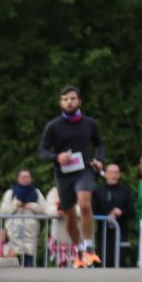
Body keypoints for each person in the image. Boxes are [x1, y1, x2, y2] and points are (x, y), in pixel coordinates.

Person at [36, 85, 105, 267]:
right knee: (70, 216)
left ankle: (89, 247)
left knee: (85, 204)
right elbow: (42, 151)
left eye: (73, 99)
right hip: (64, 175)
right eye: (65, 99)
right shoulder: (53, 126)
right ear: (61, 103)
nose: (69, 102)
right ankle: (79, 249)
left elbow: (99, 144)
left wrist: (99, 159)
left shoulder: (89, 123)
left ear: (79, 101)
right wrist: (56, 157)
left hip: (84, 170)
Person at [0, 167, 44, 267]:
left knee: (29, 264)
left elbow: (45, 211)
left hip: (30, 234)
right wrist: (15, 205)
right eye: (23, 177)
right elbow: (2, 212)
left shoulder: (36, 193)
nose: (25, 179)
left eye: (27, 177)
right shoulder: (10, 193)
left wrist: (32, 206)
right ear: (18, 178)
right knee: (13, 266)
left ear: (31, 178)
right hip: (13, 234)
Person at [91, 161, 133, 266]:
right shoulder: (98, 191)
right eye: (111, 172)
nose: (114, 175)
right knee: (104, 261)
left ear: (119, 175)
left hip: (121, 232)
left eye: (116, 172)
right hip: (103, 233)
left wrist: (121, 212)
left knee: (120, 261)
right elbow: (93, 211)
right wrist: (107, 216)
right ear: (105, 174)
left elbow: (131, 211)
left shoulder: (126, 191)